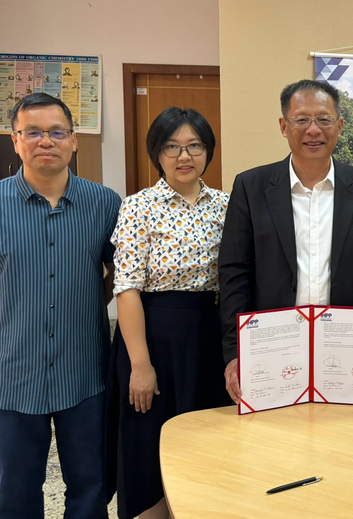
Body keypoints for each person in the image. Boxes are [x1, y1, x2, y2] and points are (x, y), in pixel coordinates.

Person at [219, 79, 353, 403]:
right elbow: (235, 274)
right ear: (283, 126)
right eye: (301, 119)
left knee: (346, 432)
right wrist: (234, 351)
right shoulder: (250, 187)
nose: (313, 130)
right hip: (272, 345)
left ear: (339, 126)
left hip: (348, 348)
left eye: (323, 119)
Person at [0, 93, 120, 518]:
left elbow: (121, 276)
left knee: (91, 489)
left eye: (57, 132)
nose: (46, 141)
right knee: (13, 495)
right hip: (12, 376)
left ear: (74, 140)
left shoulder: (105, 203)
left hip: (84, 372)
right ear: (15, 140)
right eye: (33, 132)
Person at [108, 107, 229, 519]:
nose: (184, 156)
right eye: (172, 147)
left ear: (208, 151)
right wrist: (140, 365)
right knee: (150, 444)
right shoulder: (139, 206)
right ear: (156, 153)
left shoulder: (226, 205)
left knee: (207, 441)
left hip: (209, 341)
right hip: (153, 340)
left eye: (195, 146)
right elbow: (126, 288)